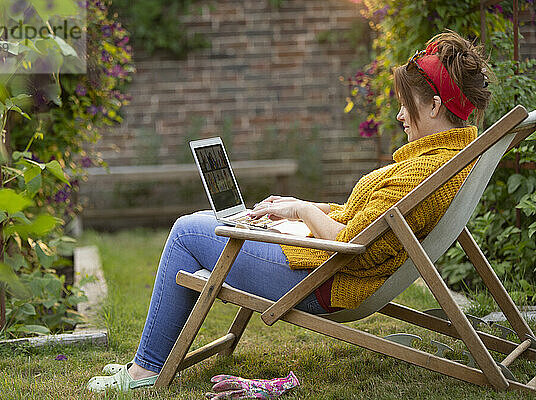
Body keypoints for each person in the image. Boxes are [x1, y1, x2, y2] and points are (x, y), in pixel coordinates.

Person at [87, 30, 492, 392]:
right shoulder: (449, 160)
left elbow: (351, 242)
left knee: (186, 232)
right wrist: (302, 209)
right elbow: (365, 220)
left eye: (407, 105)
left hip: (320, 280)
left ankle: (146, 370)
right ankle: (152, 362)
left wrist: (300, 210)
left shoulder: (423, 170)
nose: (400, 115)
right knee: (220, 223)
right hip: (327, 267)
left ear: (436, 105)